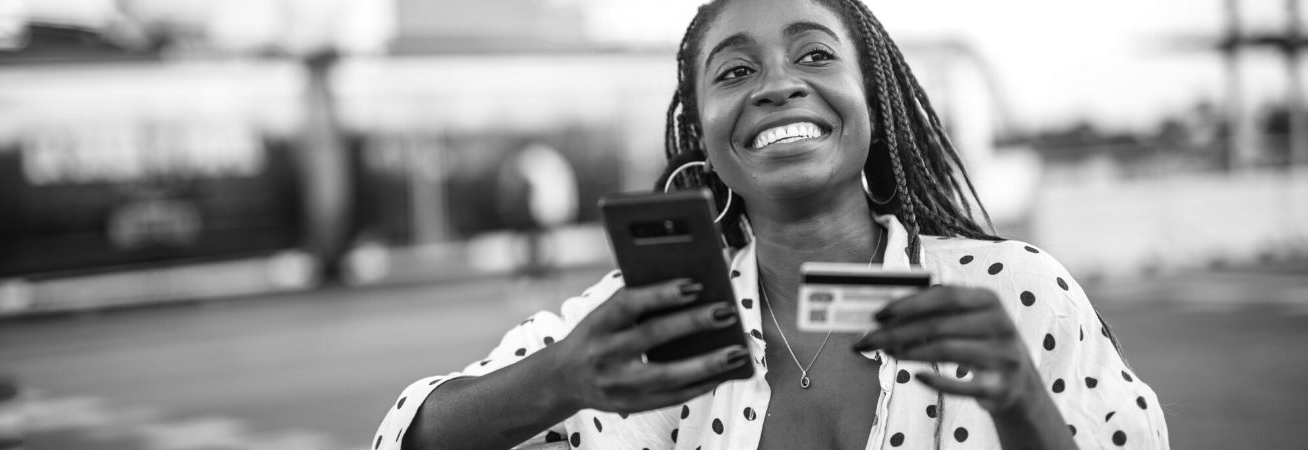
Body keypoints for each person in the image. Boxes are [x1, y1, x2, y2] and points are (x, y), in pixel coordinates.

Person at [374, 0, 1170, 448]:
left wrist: (1021, 402)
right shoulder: (642, 324)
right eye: (736, 71)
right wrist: (564, 379)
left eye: (816, 55)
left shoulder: (1017, 292)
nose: (778, 85)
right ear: (701, 131)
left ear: (873, 100)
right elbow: (404, 438)